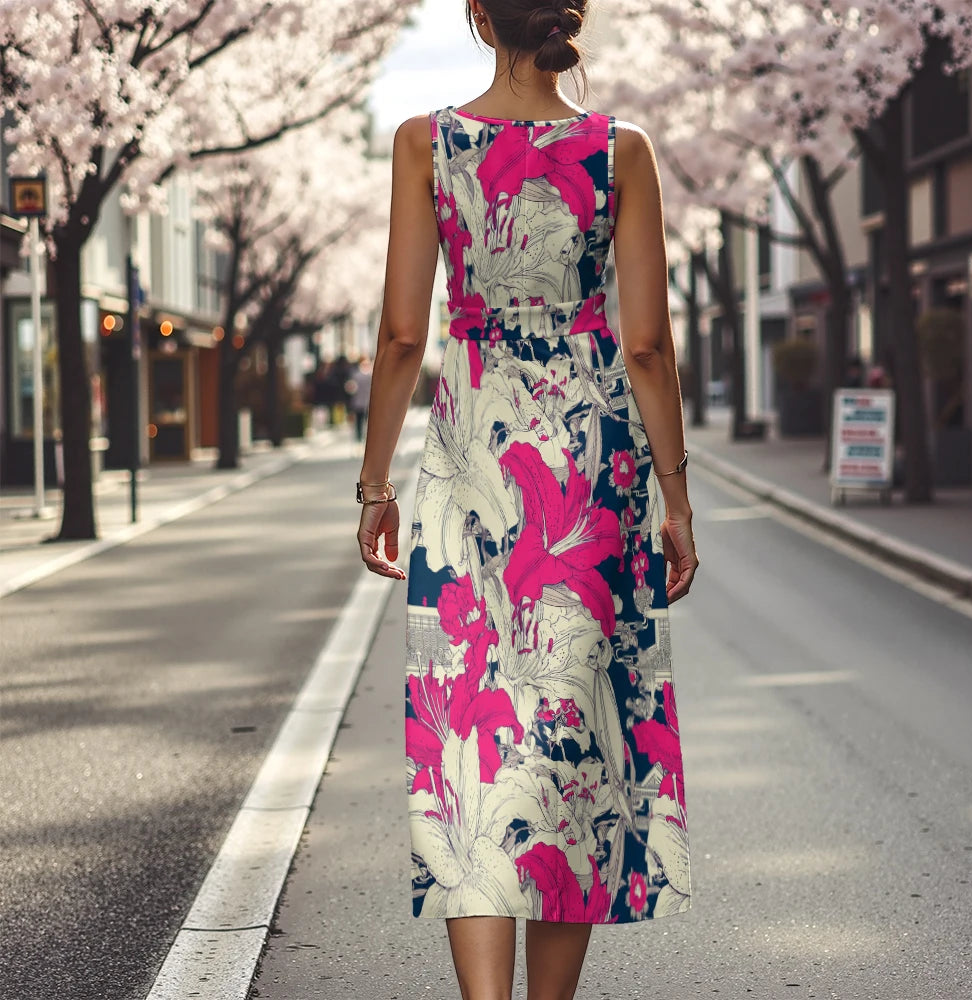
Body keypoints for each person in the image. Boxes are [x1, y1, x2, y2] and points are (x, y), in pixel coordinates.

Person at [356, 3, 699, 998]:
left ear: (475, 14)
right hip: (588, 481)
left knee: (470, 737)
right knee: (569, 746)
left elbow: (397, 334)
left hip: (468, 472)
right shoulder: (620, 151)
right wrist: (674, 500)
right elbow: (646, 346)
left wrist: (375, 483)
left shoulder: (428, 144)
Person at [346, 355, 373, 444]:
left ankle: (359, 437)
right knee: (367, 421)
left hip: (359, 401)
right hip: (367, 402)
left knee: (360, 421)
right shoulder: (371, 374)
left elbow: (350, 388)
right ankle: (366, 437)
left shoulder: (355, 375)